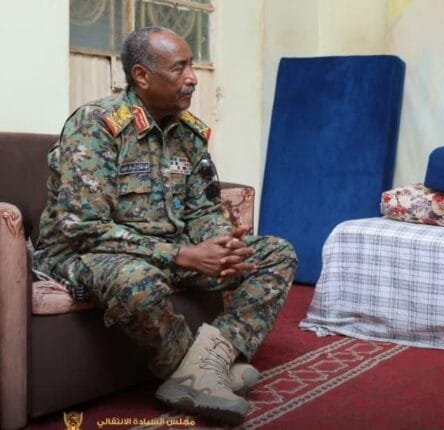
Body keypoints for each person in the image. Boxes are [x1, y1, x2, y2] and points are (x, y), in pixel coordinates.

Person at [32, 26, 297, 424]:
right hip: (84, 253)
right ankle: (189, 371)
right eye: (179, 68)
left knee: (276, 253)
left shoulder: (188, 133)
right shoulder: (97, 126)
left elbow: (202, 209)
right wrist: (182, 254)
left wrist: (221, 244)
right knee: (136, 279)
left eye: (192, 66)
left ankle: (210, 363)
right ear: (142, 76)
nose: (192, 78)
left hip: (169, 249)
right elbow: (84, 228)